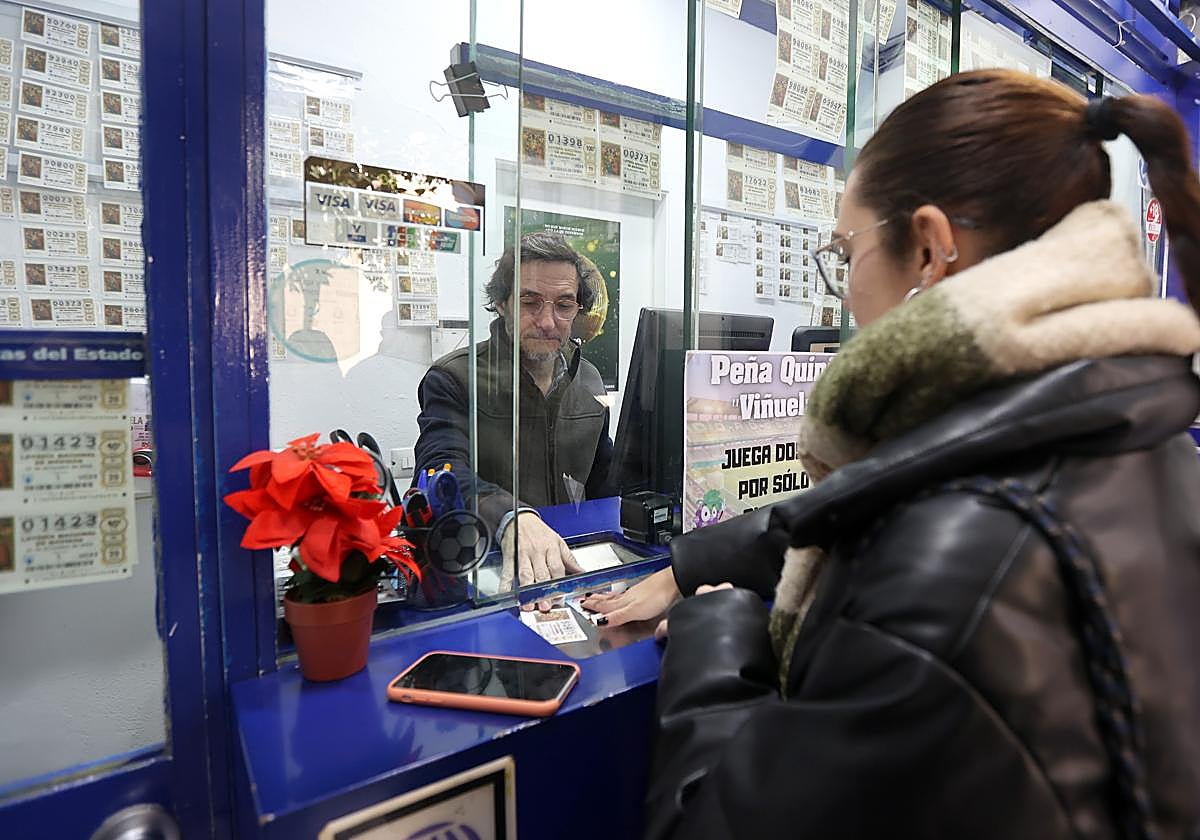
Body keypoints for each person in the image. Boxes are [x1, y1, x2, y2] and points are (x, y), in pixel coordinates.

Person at [585, 70, 1200, 838]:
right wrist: (694, 561)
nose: (843, 292)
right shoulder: (1143, 444)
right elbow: (897, 490)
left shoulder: (950, 566)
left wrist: (719, 634)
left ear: (931, 249)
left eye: (845, 252)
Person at [414, 232, 614, 591]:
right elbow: (439, 469)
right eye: (530, 302)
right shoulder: (455, 378)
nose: (549, 321)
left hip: (570, 565)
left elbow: (607, 481)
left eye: (564, 305)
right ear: (502, 303)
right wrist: (512, 516)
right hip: (487, 569)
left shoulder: (588, 379)